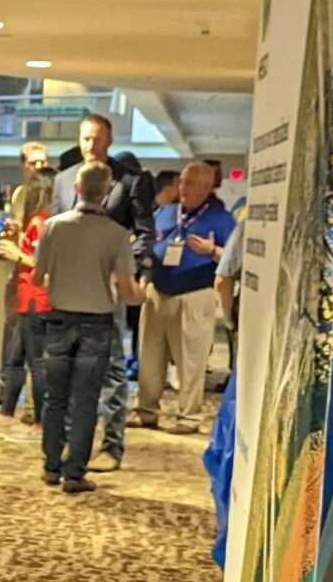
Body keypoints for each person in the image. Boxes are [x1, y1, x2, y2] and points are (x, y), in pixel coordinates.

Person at [30, 161, 142, 491]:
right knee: (86, 399)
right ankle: (75, 473)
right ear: (107, 192)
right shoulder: (117, 235)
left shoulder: (53, 227)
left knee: (55, 397)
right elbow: (126, 288)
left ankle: (51, 466)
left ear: (76, 189)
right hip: (97, 323)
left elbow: (37, 277)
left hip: (58, 318)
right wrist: (142, 296)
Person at [134, 158, 237, 433]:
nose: (183, 188)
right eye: (181, 182)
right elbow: (149, 243)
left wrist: (213, 251)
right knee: (150, 358)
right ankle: (146, 410)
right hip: (157, 292)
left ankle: (188, 416)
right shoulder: (166, 212)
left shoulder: (222, 219)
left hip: (194, 294)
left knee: (191, 361)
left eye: (190, 183)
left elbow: (235, 260)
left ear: (207, 186)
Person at [0, 147, 54, 417]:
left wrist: (17, 254)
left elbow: (42, 264)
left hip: (36, 298)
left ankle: (38, 416)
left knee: (35, 361)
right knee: (16, 357)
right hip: (28, 294)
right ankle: (7, 411)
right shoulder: (36, 221)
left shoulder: (41, 223)